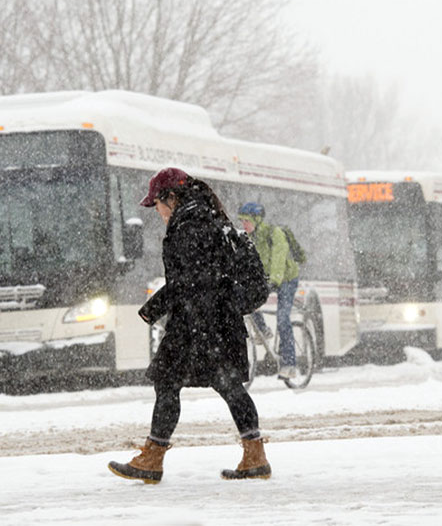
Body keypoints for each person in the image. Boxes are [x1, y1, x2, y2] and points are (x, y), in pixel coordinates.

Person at [108, 167, 271, 483]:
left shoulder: (190, 225)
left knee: (168, 383)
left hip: (196, 325)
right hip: (217, 323)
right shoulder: (209, 218)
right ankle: (254, 454)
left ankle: (152, 458)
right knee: (227, 385)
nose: (157, 212)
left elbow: (191, 281)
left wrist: (158, 308)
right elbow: (200, 278)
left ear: (170, 197)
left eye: (157, 204)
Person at [236, 202, 300, 380]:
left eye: (246, 221)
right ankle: (263, 330)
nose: (244, 225)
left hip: (286, 279)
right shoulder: (249, 239)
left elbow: (279, 259)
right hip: (267, 279)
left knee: (282, 318)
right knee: (247, 302)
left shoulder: (274, 234)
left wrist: (274, 280)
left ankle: (290, 364)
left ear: (257, 220)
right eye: (241, 221)